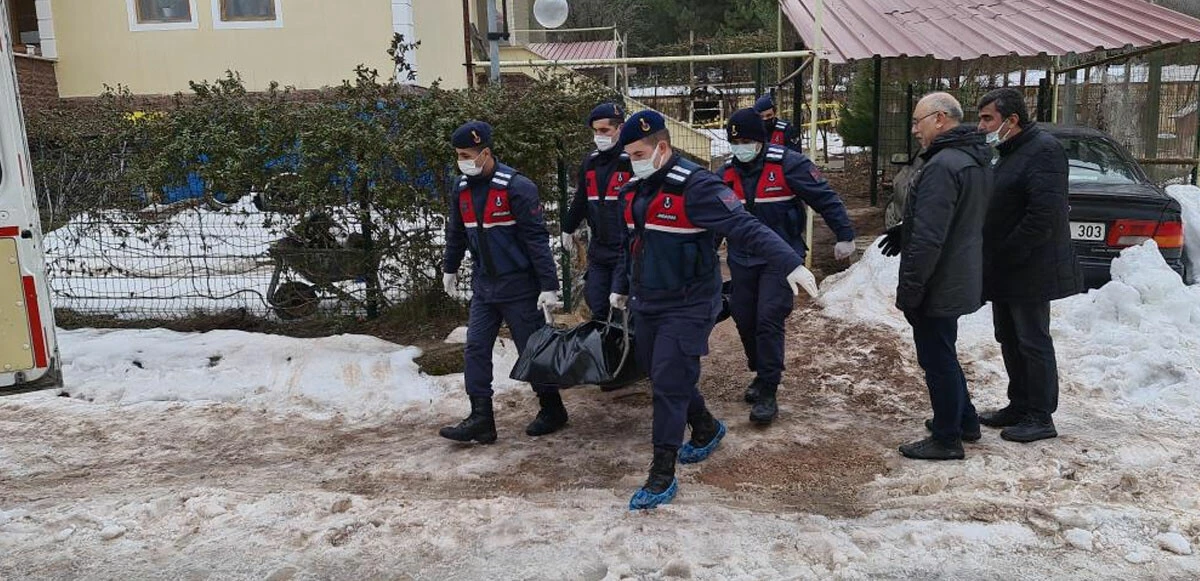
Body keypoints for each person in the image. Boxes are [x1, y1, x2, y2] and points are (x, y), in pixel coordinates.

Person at [611, 110, 819, 509]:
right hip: (648, 300)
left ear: (663, 148)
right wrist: (620, 288)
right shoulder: (635, 191)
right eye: (629, 155)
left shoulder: (698, 187)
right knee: (660, 372)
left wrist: (788, 262)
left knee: (669, 381)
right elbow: (632, 246)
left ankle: (662, 472)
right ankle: (705, 428)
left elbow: (747, 227)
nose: (632, 161)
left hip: (689, 303)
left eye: (639, 153)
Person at [720, 108, 856, 425]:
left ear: (761, 139)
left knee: (768, 318)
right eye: (734, 140)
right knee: (743, 316)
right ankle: (759, 369)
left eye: (747, 140)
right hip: (742, 258)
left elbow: (825, 198)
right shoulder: (725, 174)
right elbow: (714, 218)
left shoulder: (787, 164)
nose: (741, 145)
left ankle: (768, 388)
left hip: (780, 258)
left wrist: (845, 235)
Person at [439, 121, 567, 444]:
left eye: (466, 154)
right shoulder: (461, 189)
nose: (461, 161)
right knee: (476, 349)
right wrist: (450, 267)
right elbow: (456, 232)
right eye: (457, 155)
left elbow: (537, 240)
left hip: (519, 287)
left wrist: (548, 285)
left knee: (532, 350)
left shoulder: (516, 188)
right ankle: (481, 418)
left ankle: (552, 408)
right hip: (485, 287)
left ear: (485, 153)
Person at [883, 93, 991, 460]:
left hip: (938, 279)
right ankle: (964, 420)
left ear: (941, 119)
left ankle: (947, 438)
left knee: (936, 358)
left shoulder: (943, 165)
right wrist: (905, 229)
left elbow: (930, 237)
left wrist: (912, 289)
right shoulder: (968, 159)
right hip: (955, 274)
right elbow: (946, 220)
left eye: (918, 121)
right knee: (944, 350)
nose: (915, 130)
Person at [975, 88, 1082, 442]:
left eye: (987, 118)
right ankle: (1018, 404)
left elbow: (1043, 215)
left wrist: (1008, 251)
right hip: (1006, 265)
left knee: (1032, 339)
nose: (982, 126)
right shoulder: (1007, 151)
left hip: (1030, 266)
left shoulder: (1044, 151)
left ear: (1012, 120)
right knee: (1007, 336)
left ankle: (1040, 414)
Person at [562, 102, 633, 320]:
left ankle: (631, 351)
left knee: (624, 308)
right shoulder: (590, 163)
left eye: (604, 131)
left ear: (619, 129)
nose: (599, 136)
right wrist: (568, 228)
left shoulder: (632, 160)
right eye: (595, 131)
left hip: (626, 248)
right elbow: (581, 199)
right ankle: (606, 351)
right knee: (597, 303)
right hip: (600, 248)